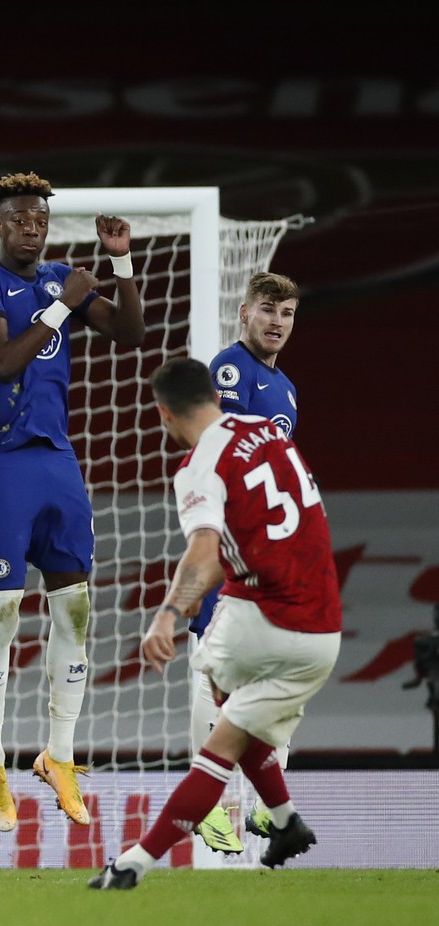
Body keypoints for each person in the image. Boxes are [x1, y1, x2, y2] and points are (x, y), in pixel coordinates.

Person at [90, 357, 339, 889]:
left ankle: (132, 862)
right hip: (325, 630)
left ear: (164, 414)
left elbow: (203, 556)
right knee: (234, 718)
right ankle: (286, 820)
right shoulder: (266, 430)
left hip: (264, 618)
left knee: (217, 741)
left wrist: (167, 615)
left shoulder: (199, 466)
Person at [0, 172, 144, 831]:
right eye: (19, 218)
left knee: (76, 606)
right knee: (3, 612)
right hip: (4, 459)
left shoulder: (59, 275)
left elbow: (129, 332)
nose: (32, 226)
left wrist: (119, 261)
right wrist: (62, 306)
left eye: (39, 218)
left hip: (58, 458)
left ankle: (59, 756)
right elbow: (2, 361)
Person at [190, 272, 302, 855]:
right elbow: (223, 451)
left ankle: (263, 805)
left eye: (286, 312)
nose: (277, 321)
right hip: (230, 545)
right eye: (267, 309)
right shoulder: (228, 370)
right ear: (244, 312)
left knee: (282, 668)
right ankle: (206, 803)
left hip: (271, 552)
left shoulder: (285, 389)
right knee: (214, 668)